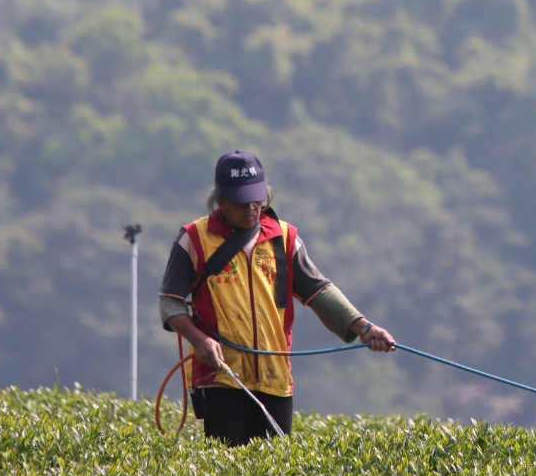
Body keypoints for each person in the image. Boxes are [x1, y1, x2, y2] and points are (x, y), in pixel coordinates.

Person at [159, 149, 396, 446]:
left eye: (256, 198)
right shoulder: (194, 239)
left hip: (276, 379)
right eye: (241, 201)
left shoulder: (285, 238)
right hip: (220, 377)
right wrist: (199, 340)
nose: (251, 207)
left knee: (275, 474)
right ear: (220, 199)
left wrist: (364, 328)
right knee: (229, 473)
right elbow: (170, 302)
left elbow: (318, 291)